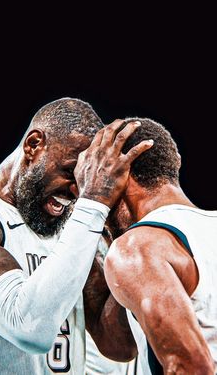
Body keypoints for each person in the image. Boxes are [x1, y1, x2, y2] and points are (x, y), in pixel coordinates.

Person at [0, 98, 154, 375]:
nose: (77, 191)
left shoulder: (76, 222)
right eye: (68, 172)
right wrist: (95, 202)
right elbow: (27, 329)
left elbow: (120, 345)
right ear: (34, 144)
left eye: (85, 179)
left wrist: (121, 231)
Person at [73, 116, 217, 374]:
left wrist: (92, 202)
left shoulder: (138, 248)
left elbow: (191, 367)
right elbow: (121, 345)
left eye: (87, 180)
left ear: (116, 173)